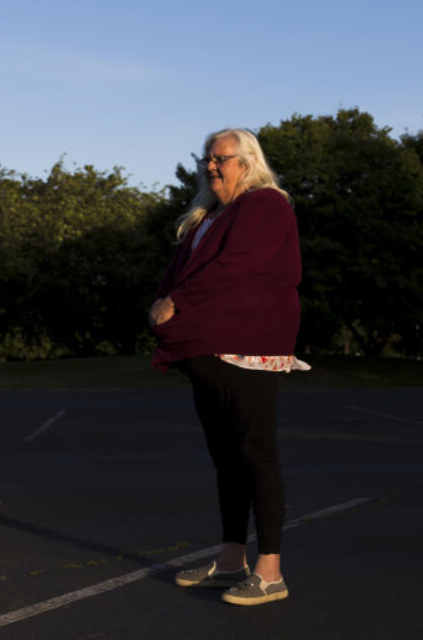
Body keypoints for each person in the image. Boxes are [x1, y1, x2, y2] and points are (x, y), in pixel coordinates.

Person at [149, 128, 305, 607]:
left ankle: (270, 571)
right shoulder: (209, 217)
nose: (211, 166)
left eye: (222, 159)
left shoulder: (265, 205)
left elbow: (237, 265)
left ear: (248, 163)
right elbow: (179, 268)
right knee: (227, 458)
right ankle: (232, 560)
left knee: (255, 453)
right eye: (207, 159)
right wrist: (162, 296)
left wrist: (178, 300)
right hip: (209, 349)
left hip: (246, 347)